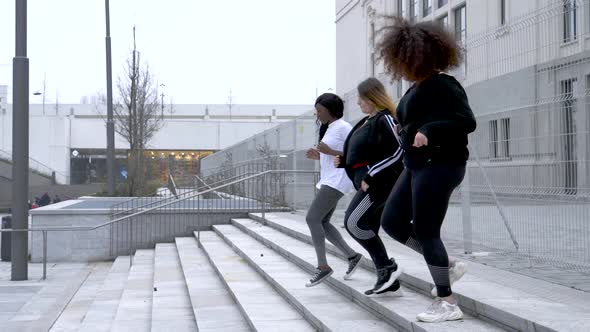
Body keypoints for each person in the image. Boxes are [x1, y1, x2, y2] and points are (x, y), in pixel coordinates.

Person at [377, 17, 476, 322]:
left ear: (421, 56)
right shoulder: (413, 90)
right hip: (416, 166)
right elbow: (409, 121)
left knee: (426, 230)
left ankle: (447, 302)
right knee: (392, 222)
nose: (402, 66)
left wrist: (430, 130)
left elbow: (466, 121)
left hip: (442, 165)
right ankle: (444, 266)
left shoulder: (444, 84)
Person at [334, 78, 404, 295]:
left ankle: (387, 267)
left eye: (361, 98)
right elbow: (368, 150)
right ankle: (388, 281)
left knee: (353, 223)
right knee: (366, 227)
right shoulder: (368, 120)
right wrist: (345, 160)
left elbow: (398, 151)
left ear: (373, 97)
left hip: (379, 184)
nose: (358, 102)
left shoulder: (386, 119)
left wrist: (372, 174)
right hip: (368, 183)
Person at [304, 93, 362, 287]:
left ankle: (323, 267)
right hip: (329, 179)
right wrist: (318, 156)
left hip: (339, 179)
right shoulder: (328, 128)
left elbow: (358, 151)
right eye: (316, 111)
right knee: (323, 222)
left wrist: (330, 152)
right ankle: (352, 256)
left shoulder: (344, 127)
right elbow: (330, 155)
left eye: (320, 110)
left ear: (331, 110)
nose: (317, 114)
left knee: (312, 218)